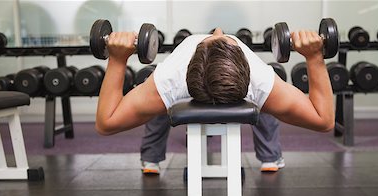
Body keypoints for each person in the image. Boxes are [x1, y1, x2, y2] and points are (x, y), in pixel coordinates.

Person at [95, 28, 334, 169]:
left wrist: (117, 59)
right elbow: (323, 120)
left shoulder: (165, 83)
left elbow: (107, 123)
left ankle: (150, 159)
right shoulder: (262, 83)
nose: (219, 31)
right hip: (183, 86)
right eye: (222, 38)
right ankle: (271, 158)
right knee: (269, 107)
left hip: (176, 90)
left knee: (157, 107)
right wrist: (314, 56)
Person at [140, 110, 284, 175]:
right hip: (229, 81)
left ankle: (151, 160)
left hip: (192, 82)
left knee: (160, 97)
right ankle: (269, 158)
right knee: (265, 97)